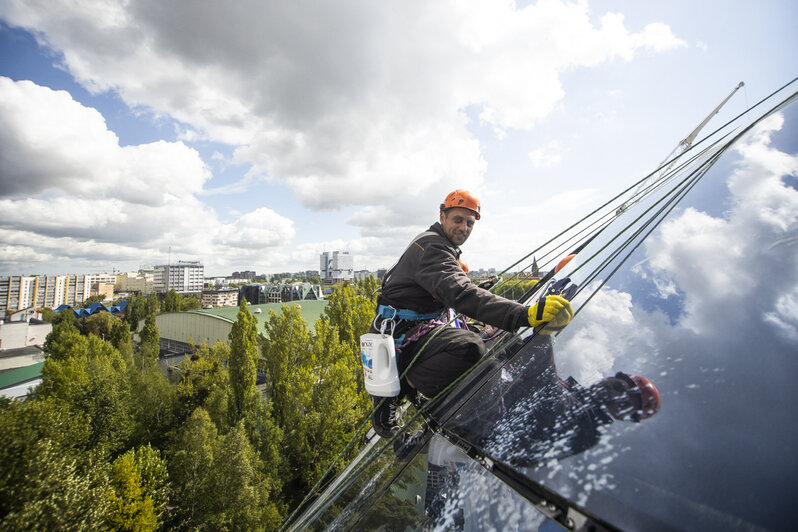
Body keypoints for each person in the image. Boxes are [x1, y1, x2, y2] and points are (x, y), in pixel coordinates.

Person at [369, 189, 574, 438]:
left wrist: (480, 290)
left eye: (470, 223)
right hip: (403, 338)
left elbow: (447, 288)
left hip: (414, 329)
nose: (464, 227)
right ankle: (405, 386)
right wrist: (524, 315)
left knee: (497, 336)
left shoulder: (438, 245)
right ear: (442, 216)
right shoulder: (432, 248)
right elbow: (459, 292)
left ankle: (537, 396)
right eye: (458, 219)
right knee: (469, 347)